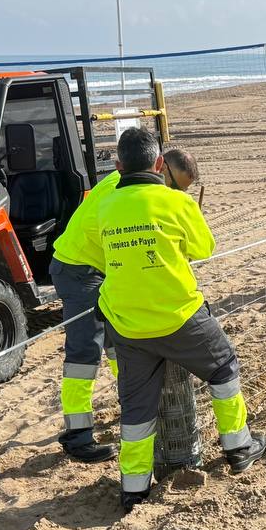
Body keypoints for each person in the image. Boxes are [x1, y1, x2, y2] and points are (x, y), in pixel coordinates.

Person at [97, 128, 266, 513]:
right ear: (159, 164)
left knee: (137, 408)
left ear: (119, 166)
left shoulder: (104, 204)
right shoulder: (174, 201)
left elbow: (101, 255)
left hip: (127, 324)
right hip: (179, 317)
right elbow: (203, 247)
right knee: (223, 367)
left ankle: (135, 488)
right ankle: (239, 446)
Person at [49, 146, 198, 463]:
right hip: (79, 270)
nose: (174, 194)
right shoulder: (124, 188)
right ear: (162, 168)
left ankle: (137, 406)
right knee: (84, 353)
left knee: (122, 342)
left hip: (99, 270)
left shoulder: (136, 185)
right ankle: (78, 435)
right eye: (176, 186)